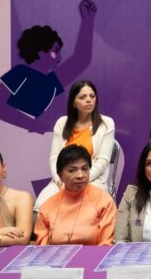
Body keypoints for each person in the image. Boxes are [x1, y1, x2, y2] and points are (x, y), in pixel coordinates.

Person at [34, 80, 116, 210]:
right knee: (41, 206)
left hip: (93, 180)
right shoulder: (62, 123)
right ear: (73, 102)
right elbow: (54, 158)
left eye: (92, 96)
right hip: (64, 179)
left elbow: (103, 161)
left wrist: (81, 178)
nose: (89, 100)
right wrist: (62, 180)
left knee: (85, 210)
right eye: (83, 97)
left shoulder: (106, 123)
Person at [34, 144, 117, 245]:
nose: (80, 175)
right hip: (58, 259)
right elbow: (42, 250)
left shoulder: (103, 201)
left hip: (92, 259)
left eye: (85, 169)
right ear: (60, 176)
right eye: (72, 170)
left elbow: (106, 244)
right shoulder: (47, 207)